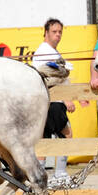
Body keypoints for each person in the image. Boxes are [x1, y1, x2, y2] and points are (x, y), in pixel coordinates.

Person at [33, 18, 75, 183]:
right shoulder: (46, 52)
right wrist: (67, 99)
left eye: (60, 32)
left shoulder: (49, 51)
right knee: (66, 135)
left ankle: (40, 176)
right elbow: (52, 79)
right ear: (46, 33)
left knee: (44, 140)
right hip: (53, 103)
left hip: (45, 103)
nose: (58, 35)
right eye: (54, 32)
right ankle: (60, 174)